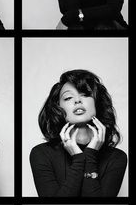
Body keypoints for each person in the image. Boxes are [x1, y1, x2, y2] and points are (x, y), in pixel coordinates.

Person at [30, 69, 127, 197]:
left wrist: (90, 155)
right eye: (68, 97)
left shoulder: (116, 158)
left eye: (85, 94)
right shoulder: (41, 154)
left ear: (97, 102)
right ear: (58, 107)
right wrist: (79, 160)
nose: (77, 101)